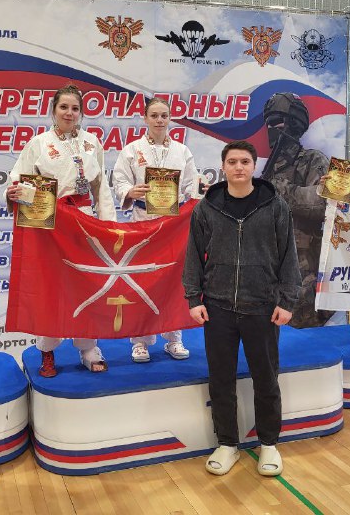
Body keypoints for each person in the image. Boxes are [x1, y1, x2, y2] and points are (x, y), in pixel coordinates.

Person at [183, 140, 301, 477]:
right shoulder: (206, 208)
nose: (238, 167)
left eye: (245, 161)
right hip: (217, 307)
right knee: (221, 379)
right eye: (232, 161)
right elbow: (193, 255)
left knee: (266, 378)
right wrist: (194, 298)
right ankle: (227, 444)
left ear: (253, 166)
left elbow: (289, 256)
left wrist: (287, 301)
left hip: (262, 306)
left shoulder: (275, 206)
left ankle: (269, 444)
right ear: (223, 166)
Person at [5, 84, 116, 376]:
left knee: (87, 283)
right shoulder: (39, 143)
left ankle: (89, 348)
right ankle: (47, 350)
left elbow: (101, 186)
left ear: (81, 113)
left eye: (75, 108)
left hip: (84, 220)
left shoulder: (92, 142)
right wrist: (13, 193)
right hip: (50, 224)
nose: (69, 113)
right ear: (53, 110)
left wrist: (108, 225)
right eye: (63, 107)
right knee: (51, 287)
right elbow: (19, 179)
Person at [112, 96, 199, 362]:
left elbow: (191, 186)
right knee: (142, 281)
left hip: (174, 225)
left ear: (170, 118)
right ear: (145, 118)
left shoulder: (182, 151)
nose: (160, 120)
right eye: (154, 115)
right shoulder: (132, 150)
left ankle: (174, 338)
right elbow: (119, 181)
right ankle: (140, 341)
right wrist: (130, 191)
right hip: (143, 221)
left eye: (164, 115)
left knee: (174, 281)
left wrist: (199, 191)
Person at [260, 92, 333, 328]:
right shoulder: (270, 168)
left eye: (277, 122)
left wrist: (279, 189)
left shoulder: (313, 159)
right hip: (270, 262)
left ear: (294, 123)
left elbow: (323, 204)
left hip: (304, 264)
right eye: (268, 123)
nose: (272, 129)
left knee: (305, 330)